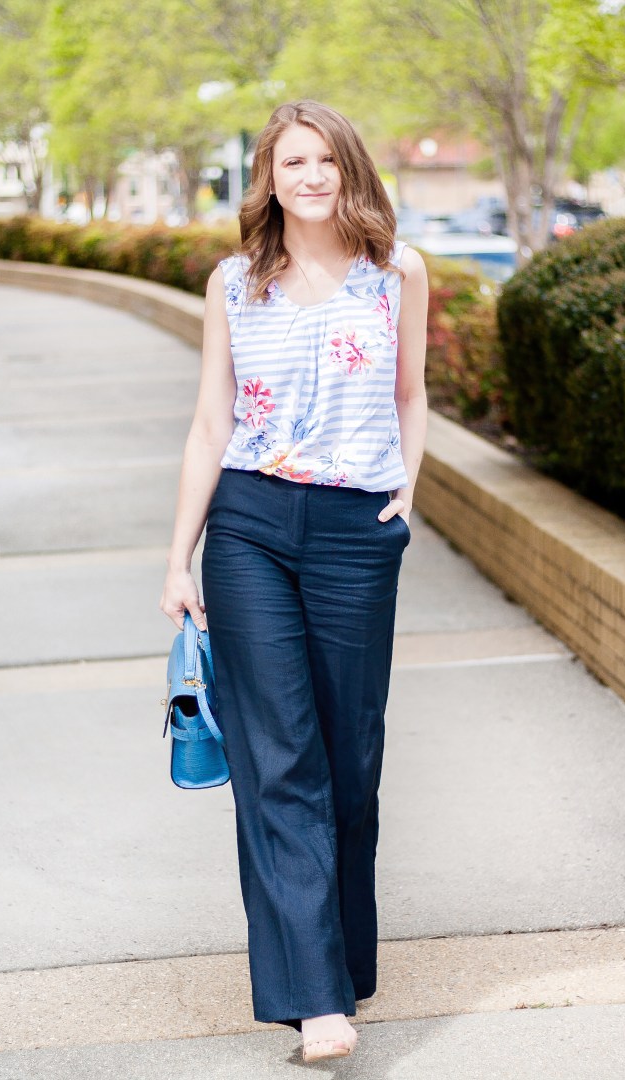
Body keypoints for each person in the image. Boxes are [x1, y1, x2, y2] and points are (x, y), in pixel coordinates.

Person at [160, 99, 428, 1064]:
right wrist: (180, 556)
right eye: (292, 162)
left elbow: (411, 393)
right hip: (250, 527)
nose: (310, 176)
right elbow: (209, 421)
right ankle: (313, 999)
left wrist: (408, 491)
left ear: (350, 169)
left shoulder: (397, 273)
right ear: (267, 177)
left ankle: (341, 962)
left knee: (349, 760)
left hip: (359, 527)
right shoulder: (236, 283)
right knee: (280, 760)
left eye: (325, 160)